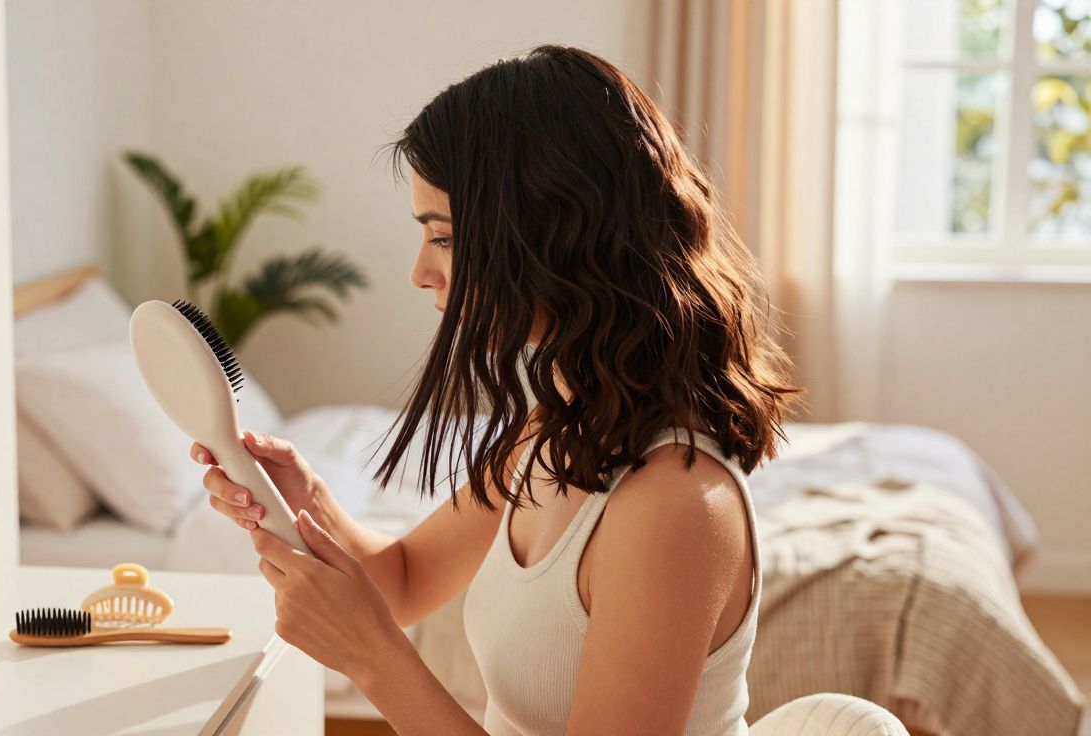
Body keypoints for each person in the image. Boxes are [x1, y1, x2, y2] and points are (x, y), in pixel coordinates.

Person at [191, 44, 803, 736]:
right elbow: (403, 581)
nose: (421, 273)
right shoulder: (560, 425)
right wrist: (303, 502)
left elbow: (383, 626)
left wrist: (373, 660)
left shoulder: (675, 504)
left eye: (444, 239)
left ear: (551, 234)